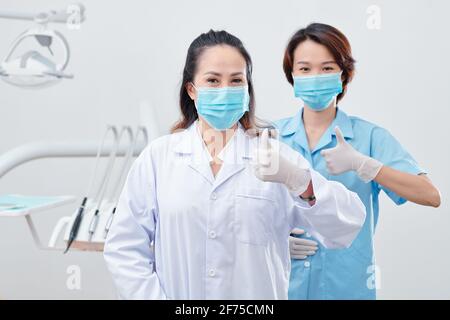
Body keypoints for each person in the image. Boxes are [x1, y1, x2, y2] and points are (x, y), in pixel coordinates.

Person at [103, 30, 366, 299]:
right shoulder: (158, 158)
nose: (225, 89)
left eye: (236, 80)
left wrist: (298, 180)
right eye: (213, 80)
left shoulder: (276, 158)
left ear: (247, 90)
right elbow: (124, 247)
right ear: (192, 89)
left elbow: (347, 226)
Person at [275, 23, 441, 300]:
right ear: (291, 75)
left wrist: (367, 166)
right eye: (305, 69)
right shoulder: (270, 138)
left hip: (347, 289)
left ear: (344, 75)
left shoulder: (369, 138)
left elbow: (430, 195)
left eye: (327, 68)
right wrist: (273, 240)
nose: (315, 76)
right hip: (281, 288)